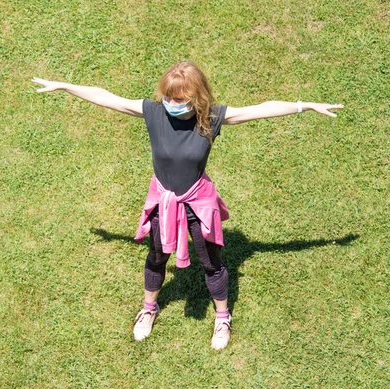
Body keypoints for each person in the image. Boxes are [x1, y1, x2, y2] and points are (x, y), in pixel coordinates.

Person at [32, 61, 343, 350]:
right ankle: (148, 308)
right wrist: (64, 85)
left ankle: (222, 318)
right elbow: (107, 97)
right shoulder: (154, 112)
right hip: (163, 199)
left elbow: (262, 109)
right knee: (156, 256)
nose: (172, 104)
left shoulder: (212, 118)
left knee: (211, 261)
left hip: (198, 201)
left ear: (197, 97)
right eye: (169, 97)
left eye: (180, 99)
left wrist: (306, 106)